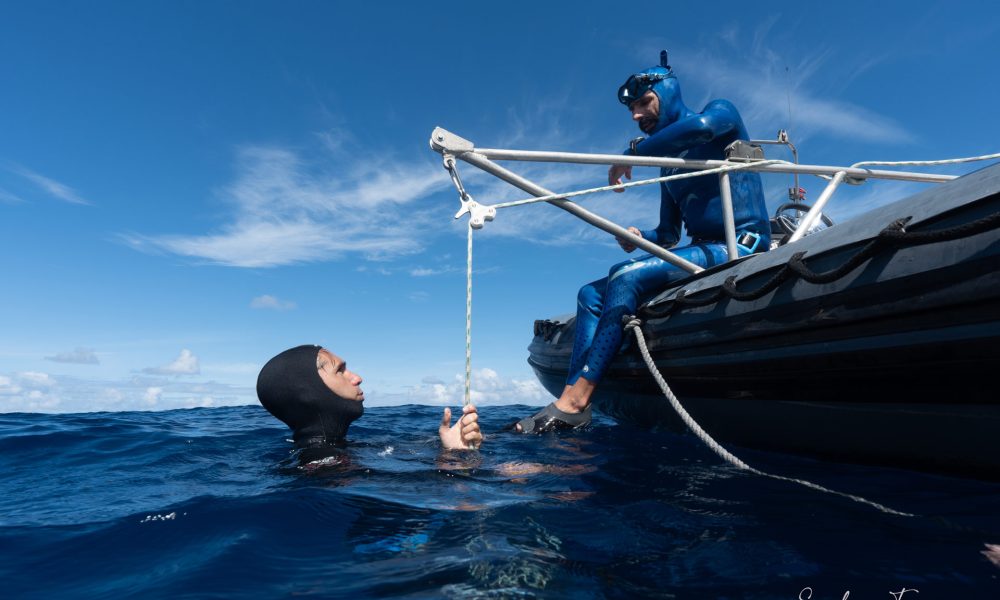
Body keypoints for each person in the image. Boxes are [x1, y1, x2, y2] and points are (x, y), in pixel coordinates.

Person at [516, 51, 770, 433]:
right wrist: (640, 237)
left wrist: (631, 153)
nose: (636, 115)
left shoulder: (721, 112)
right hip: (702, 248)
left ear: (668, 94)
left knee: (625, 276)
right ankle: (572, 397)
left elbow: (700, 128)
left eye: (644, 103)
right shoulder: (668, 166)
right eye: (632, 109)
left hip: (742, 243)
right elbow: (669, 234)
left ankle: (577, 398)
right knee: (589, 293)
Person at [257, 345, 482, 462]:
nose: (356, 377)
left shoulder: (339, 450)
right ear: (309, 393)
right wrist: (456, 463)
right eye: (340, 370)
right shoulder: (321, 465)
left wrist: (452, 451)